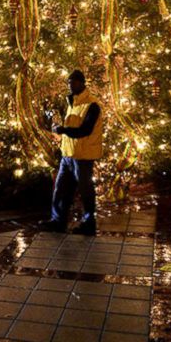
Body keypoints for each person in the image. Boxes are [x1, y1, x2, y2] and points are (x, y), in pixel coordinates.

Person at [41, 69, 104, 236]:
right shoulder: (72, 103)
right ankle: (58, 221)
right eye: (69, 83)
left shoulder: (92, 105)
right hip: (68, 154)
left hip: (83, 156)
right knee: (61, 189)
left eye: (74, 82)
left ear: (82, 83)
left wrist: (63, 130)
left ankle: (89, 223)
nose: (71, 86)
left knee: (85, 191)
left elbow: (85, 130)